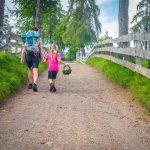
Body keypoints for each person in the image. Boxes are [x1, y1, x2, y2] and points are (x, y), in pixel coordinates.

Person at [21, 27, 45, 92]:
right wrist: (43, 57)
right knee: (35, 69)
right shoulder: (38, 38)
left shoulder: (26, 37)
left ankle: (30, 84)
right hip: (36, 54)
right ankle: (35, 83)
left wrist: (22, 58)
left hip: (27, 54)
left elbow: (23, 48)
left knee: (30, 69)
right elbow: (40, 48)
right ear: (37, 31)